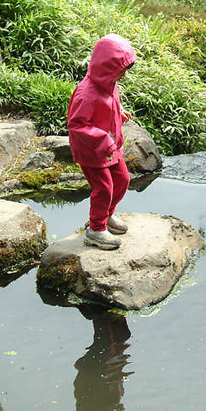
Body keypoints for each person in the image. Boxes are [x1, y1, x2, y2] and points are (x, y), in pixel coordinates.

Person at [68, 34, 136, 250]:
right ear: (106, 67)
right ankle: (96, 229)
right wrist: (102, 139)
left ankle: (106, 215)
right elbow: (77, 124)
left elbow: (108, 105)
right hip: (93, 150)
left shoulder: (109, 83)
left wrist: (119, 112)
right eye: (121, 70)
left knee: (123, 179)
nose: (123, 74)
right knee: (104, 187)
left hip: (110, 146)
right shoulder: (86, 93)